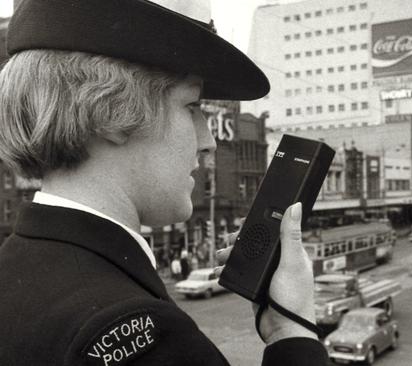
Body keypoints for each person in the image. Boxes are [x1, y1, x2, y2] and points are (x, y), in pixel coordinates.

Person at [0, 1, 327, 365]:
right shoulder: (141, 334)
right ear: (111, 112)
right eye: (191, 106)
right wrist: (290, 332)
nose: (208, 141)